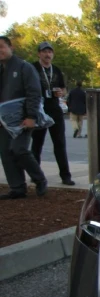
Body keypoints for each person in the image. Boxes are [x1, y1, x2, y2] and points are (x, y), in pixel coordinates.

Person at [0, 36, 48, 199]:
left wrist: (31, 116)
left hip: (22, 118)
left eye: (2, 47)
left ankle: (39, 179)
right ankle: (17, 187)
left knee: (19, 149)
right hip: (4, 120)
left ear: (10, 48)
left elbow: (34, 92)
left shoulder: (24, 67)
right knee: (6, 152)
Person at [31, 41, 74, 186]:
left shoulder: (56, 70)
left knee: (60, 143)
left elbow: (63, 88)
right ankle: (35, 174)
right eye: (44, 51)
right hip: (38, 109)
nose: (47, 54)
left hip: (54, 108)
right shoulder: (32, 68)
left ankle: (65, 176)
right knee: (37, 143)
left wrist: (62, 92)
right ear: (39, 54)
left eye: (50, 52)